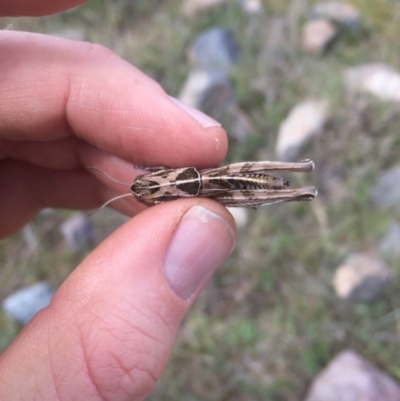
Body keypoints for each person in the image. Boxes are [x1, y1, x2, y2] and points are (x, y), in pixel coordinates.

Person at [0, 1, 237, 399]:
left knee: (228, 172)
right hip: (211, 192)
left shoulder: (149, 178)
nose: (138, 188)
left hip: (220, 180)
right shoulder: (140, 187)